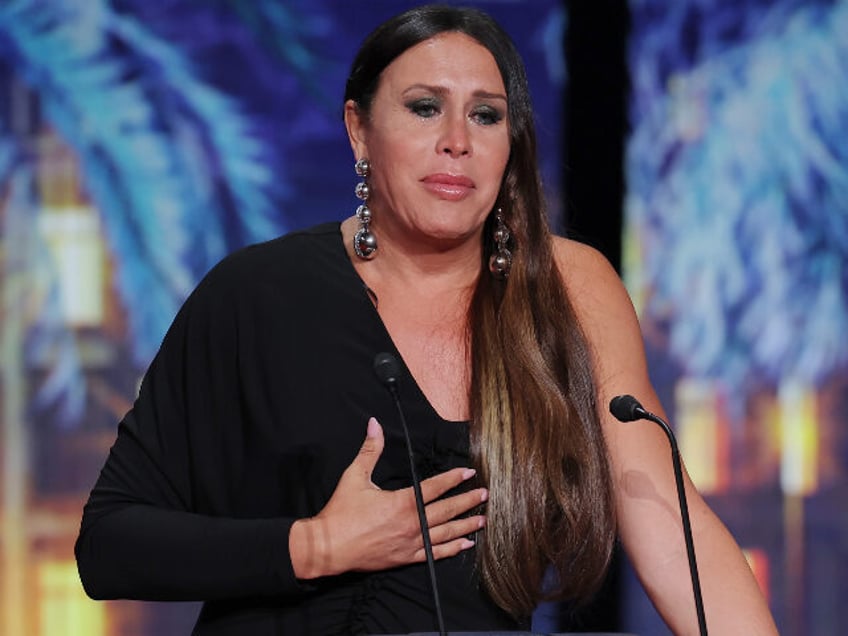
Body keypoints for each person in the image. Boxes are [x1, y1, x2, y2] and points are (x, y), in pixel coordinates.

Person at [75, 4, 779, 635]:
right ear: (360, 131)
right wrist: (316, 546)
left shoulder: (567, 287)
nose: (456, 141)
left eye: (485, 114)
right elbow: (110, 548)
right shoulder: (256, 293)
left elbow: (667, 523)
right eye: (422, 107)